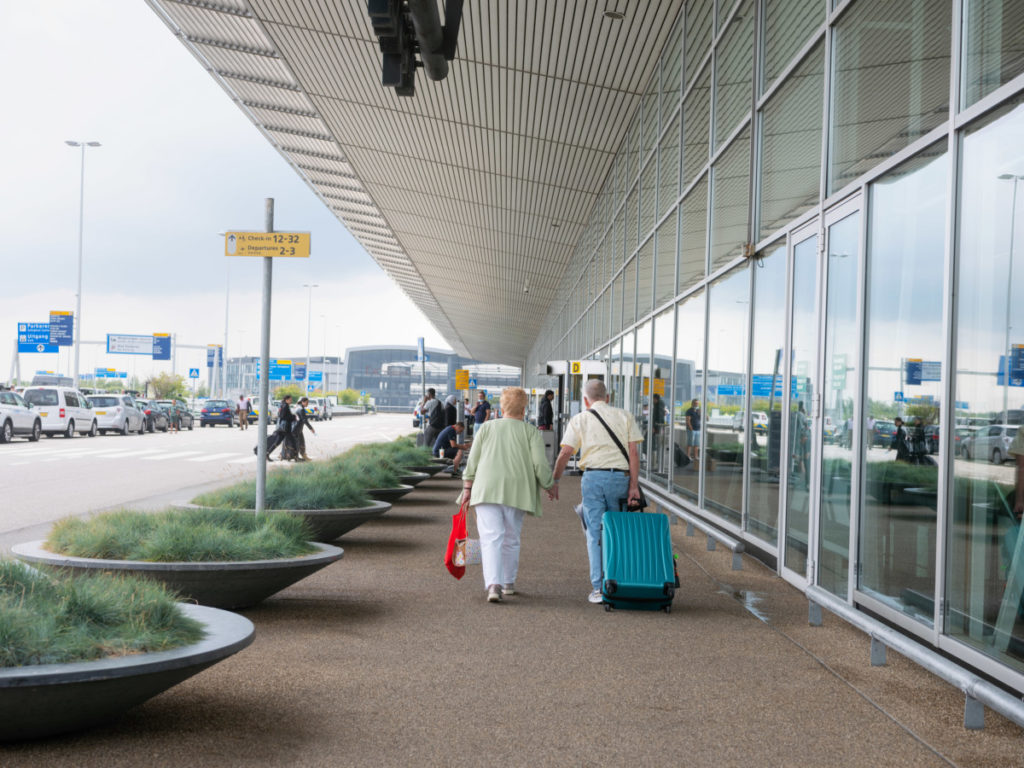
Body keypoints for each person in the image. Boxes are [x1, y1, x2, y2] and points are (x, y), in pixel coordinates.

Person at [551, 378, 643, 604]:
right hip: (620, 479)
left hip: (592, 478)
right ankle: (618, 581)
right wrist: (633, 486)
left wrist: (554, 481)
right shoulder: (625, 416)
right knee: (618, 530)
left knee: (594, 533)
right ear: (608, 397)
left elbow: (565, 454)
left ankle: (599, 588)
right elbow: (633, 453)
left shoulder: (580, 419)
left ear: (585, 400)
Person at [462, 387, 555, 603]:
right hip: (518, 490)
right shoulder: (531, 432)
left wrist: (467, 488)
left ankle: (493, 584)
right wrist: (549, 485)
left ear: (501, 407)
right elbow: (540, 465)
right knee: (511, 537)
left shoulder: (485, 428)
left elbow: (472, 461)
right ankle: (508, 583)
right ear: (524, 408)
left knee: (491, 538)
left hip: (486, 488)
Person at [292, 396, 316, 461]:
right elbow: (304, 420)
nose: (307, 404)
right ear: (303, 402)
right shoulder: (301, 409)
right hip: (297, 429)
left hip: (295, 428)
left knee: (299, 442)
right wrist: (311, 428)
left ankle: (301, 456)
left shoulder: (297, 407)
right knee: (299, 443)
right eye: (307, 402)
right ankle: (299, 457)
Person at [685, 398, 701, 462]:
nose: (696, 404)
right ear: (692, 404)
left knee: (696, 444)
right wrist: (691, 428)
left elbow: (707, 419)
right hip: (691, 429)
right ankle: (688, 456)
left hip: (698, 429)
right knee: (690, 443)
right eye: (695, 403)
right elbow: (688, 420)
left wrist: (702, 412)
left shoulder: (699, 411)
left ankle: (696, 456)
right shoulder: (689, 411)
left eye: (697, 403)